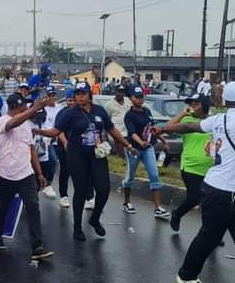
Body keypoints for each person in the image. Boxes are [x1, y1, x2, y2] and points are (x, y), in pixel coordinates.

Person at [154, 81, 235, 283]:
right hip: (221, 191)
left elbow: (189, 126)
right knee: (209, 236)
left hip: (218, 187)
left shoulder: (219, 119)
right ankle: (187, 276)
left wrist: (163, 127)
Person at [37, 81, 138, 241]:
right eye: (77, 94)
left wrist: (128, 145)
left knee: (104, 188)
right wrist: (39, 131)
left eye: (83, 93)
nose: (80, 96)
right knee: (81, 190)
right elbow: (56, 131)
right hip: (76, 155)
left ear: (89, 95)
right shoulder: (70, 113)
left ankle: (95, 218)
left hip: (97, 154)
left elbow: (111, 129)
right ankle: (77, 227)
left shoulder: (99, 111)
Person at [0, 94, 54, 261]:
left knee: (33, 206)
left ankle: (37, 247)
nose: (27, 109)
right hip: (5, 173)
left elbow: (32, 149)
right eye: (24, 107)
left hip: (26, 174)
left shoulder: (27, 125)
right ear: (15, 107)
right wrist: (34, 108)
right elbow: (12, 124)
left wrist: (39, 173)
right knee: (3, 206)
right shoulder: (3, 120)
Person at [121, 86, 171, 218]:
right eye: (137, 97)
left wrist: (163, 140)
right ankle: (126, 202)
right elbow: (131, 133)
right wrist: (140, 142)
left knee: (154, 175)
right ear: (131, 99)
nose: (140, 99)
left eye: (141, 96)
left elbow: (152, 128)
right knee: (130, 176)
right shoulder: (129, 115)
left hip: (148, 148)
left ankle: (158, 207)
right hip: (134, 148)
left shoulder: (147, 111)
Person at [165, 93, 212, 232]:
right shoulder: (187, 121)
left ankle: (209, 230)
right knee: (195, 197)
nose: (192, 106)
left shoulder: (211, 122)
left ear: (204, 106)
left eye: (196, 103)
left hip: (210, 168)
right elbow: (168, 126)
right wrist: (182, 114)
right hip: (190, 167)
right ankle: (177, 214)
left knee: (209, 200)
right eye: (190, 103)